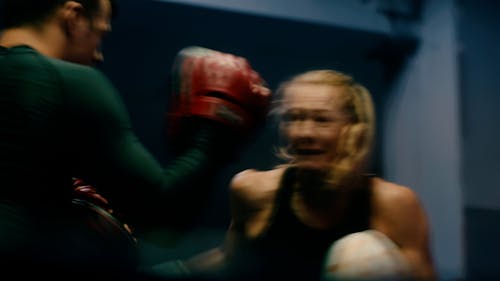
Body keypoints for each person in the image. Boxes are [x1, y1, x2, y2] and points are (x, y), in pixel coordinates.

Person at [0, 0, 270, 278]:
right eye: (100, 34)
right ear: (74, 17)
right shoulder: (68, 81)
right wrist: (213, 129)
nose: (99, 56)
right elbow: (163, 216)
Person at [183, 69, 437, 281]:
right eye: (294, 118)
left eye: (321, 120)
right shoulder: (253, 191)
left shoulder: (393, 204)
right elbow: (230, 259)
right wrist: (167, 271)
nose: (303, 132)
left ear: (354, 131)